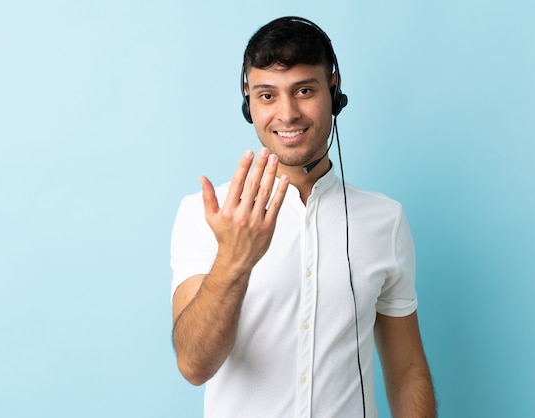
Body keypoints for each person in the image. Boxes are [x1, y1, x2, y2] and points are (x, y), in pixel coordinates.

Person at [170, 16, 436, 418]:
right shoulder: (206, 214)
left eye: (304, 90)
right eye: (267, 96)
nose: (287, 114)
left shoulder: (386, 220)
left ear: (334, 90)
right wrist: (234, 259)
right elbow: (194, 366)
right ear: (248, 102)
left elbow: (407, 371)